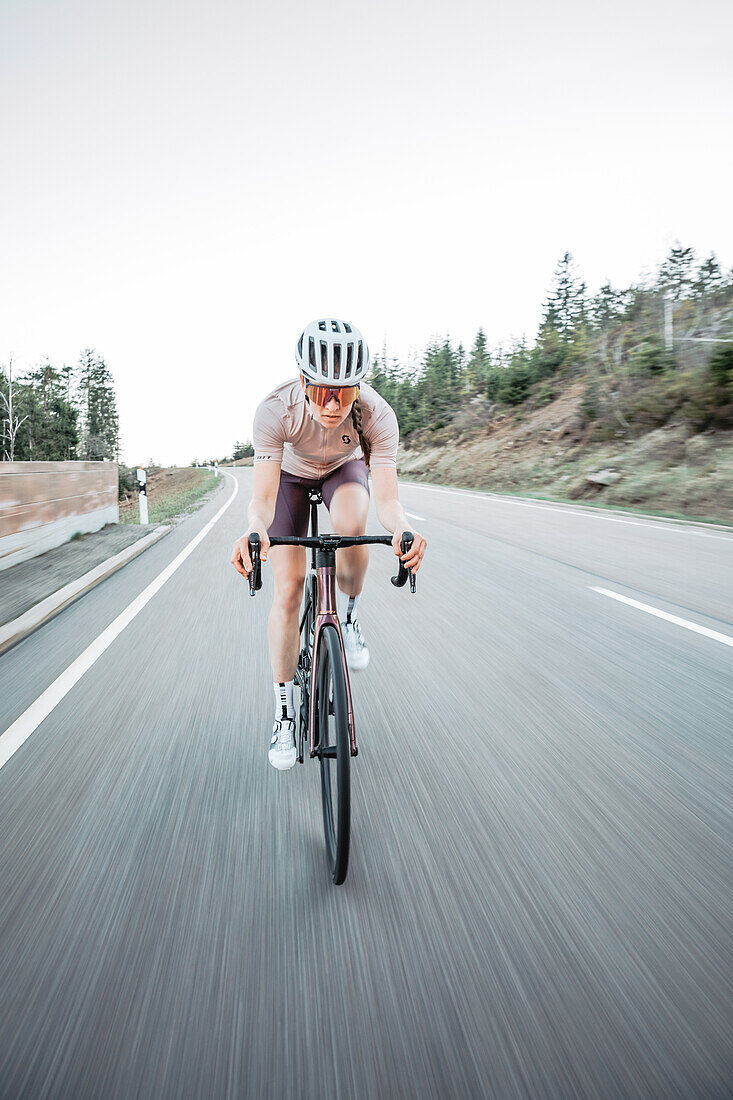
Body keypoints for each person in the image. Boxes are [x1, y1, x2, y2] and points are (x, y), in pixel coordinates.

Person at [231, 318, 427, 771]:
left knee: (351, 526)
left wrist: (403, 532)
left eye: (346, 389)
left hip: (344, 471)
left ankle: (350, 615)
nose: (335, 403)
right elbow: (260, 500)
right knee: (288, 586)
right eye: (322, 391)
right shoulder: (275, 410)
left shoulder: (378, 416)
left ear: (359, 386)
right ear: (302, 381)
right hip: (290, 479)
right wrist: (255, 532)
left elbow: (391, 502)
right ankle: (283, 713)